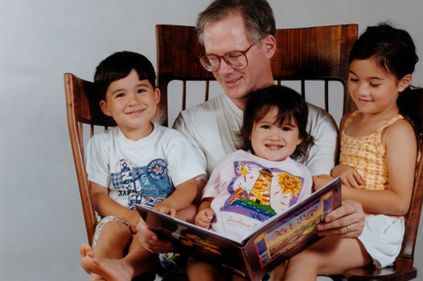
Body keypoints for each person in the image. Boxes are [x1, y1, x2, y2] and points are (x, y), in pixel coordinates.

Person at [137, 0, 366, 257]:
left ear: (268, 46)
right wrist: (162, 228)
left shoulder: (317, 123)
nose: (223, 71)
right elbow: (191, 206)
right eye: (213, 59)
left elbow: (315, 206)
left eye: (235, 56)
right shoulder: (191, 124)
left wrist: (348, 215)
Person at [275, 23, 420, 280]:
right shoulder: (350, 121)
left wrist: (338, 189)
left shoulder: (397, 131)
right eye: (354, 79)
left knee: (305, 258)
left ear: (403, 82)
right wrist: (338, 170)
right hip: (342, 218)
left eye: (374, 83)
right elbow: (342, 168)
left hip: (377, 229)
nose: (361, 90)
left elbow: (399, 202)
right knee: (280, 253)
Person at [78, 51, 206, 281]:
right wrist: (132, 219)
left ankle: (126, 267)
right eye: (120, 94)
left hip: (160, 228)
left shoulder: (171, 140)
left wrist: (165, 207)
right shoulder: (101, 144)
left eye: (141, 90)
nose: (133, 101)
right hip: (120, 218)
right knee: (112, 230)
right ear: (105, 107)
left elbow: (189, 186)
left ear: (156, 95)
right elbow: (97, 196)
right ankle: (101, 271)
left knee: (151, 230)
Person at [187, 85, 315, 280]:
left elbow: (302, 218)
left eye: (286, 128)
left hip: (263, 254)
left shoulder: (301, 174)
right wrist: (203, 212)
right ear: (249, 132)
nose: (275, 136)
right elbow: (211, 194)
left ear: (300, 138)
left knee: (271, 269)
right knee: (197, 264)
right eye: (265, 126)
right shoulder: (234, 160)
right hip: (220, 242)